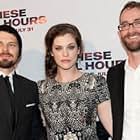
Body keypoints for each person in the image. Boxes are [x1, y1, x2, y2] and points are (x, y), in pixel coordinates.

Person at [37, 23, 112, 140]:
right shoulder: (41, 89)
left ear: (78, 50)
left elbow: (111, 126)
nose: (65, 54)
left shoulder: (95, 82)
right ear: (51, 52)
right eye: (58, 48)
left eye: (70, 47)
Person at [0, 24, 46, 140]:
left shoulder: (30, 87)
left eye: (11, 45)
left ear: (19, 52)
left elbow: (36, 131)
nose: (5, 50)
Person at [107, 1, 140, 140]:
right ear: (120, 33)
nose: (131, 30)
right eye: (125, 25)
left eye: (137, 23)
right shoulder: (114, 75)